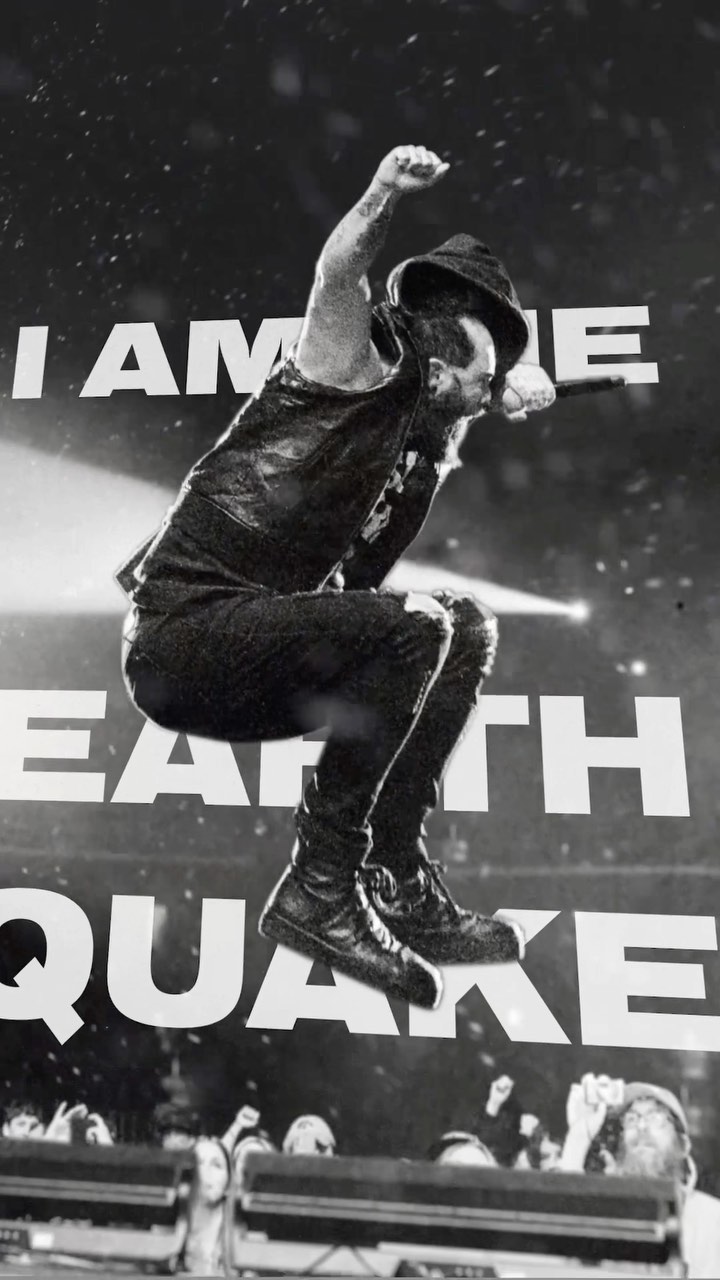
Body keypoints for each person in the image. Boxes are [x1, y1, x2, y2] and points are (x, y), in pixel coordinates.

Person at [116, 143, 556, 1010]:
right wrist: (383, 193)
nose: (486, 394)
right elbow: (337, 274)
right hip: (183, 642)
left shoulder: (420, 431)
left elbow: (434, 426)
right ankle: (319, 888)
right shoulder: (344, 360)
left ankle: (392, 876)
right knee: (418, 626)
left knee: (464, 627)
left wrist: (492, 390)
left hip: (262, 657)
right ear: (436, 367)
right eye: (477, 379)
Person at [560, 1073, 720, 1280]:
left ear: (683, 1145)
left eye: (656, 1118)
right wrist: (578, 1136)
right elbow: (562, 1254)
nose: (641, 1127)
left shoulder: (711, 1219)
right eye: (632, 1119)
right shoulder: (605, 1213)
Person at [181, 1137, 233, 1277]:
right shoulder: (166, 1236)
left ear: (229, 1182)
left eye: (216, 1165)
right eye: (199, 1163)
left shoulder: (239, 1243)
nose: (206, 1171)